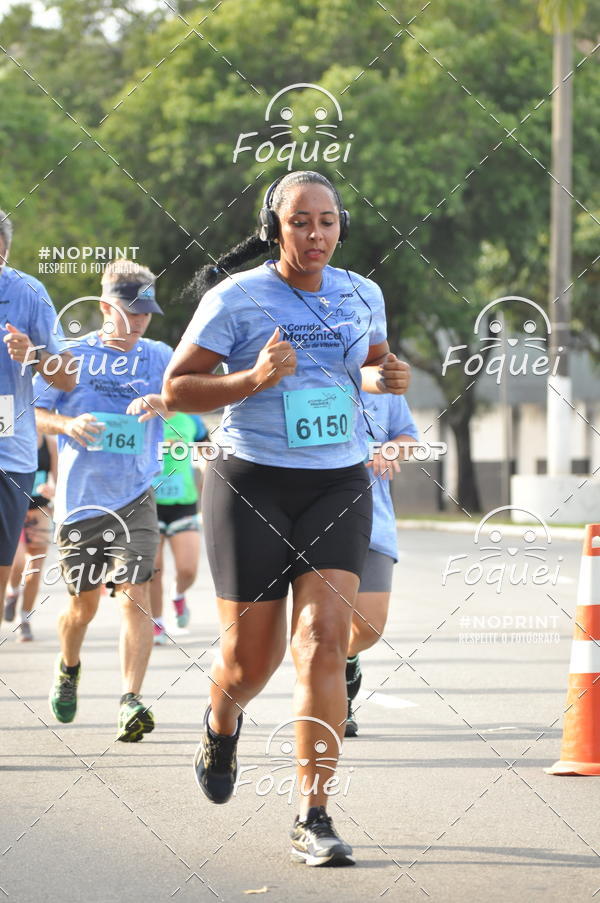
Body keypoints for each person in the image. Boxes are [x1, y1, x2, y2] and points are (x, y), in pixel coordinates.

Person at [162, 170, 411, 866]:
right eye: (300, 221)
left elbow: (369, 363)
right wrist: (252, 379)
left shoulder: (363, 293)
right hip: (252, 482)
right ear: (275, 229)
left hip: (339, 481)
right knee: (251, 661)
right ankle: (222, 719)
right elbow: (176, 388)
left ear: (341, 228)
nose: (315, 233)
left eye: (327, 220)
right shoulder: (234, 298)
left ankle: (314, 814)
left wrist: (389, 375)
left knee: (324, 639)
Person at [34, 260, 172, 741]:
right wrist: (67, 424)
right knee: (83, 607)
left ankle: (129, 699)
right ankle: (68, 665)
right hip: (80, 503)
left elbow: (193, 394)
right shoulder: (72, 355)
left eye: (145, 313)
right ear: (104, 307)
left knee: (136, 595)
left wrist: (166, 402)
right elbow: (36, 413)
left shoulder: (159, 356)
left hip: (135, 496)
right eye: (129, 312)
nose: (138, 322)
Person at [0, 211, 75, 620]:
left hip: (8, 455)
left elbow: (67, 378)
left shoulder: (29, 293)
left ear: (6, 252)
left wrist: (33, 355)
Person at [345, 390, 419, 737]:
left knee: (369, 627)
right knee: (321, 623)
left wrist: (391, 449)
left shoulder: (385, 387)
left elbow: (408, 437)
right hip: (315, 522)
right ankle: (331, 703)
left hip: (374, 522)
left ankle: (347, 656)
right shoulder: (310, 374)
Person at [150, 411, 208, 644]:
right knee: (154, 569)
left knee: (187, 570)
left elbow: (206, 452)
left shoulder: (191, 418)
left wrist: (207, 480)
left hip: (184, 504)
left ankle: (178, 594)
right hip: (149, 505)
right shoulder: (143, 416)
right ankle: (157, 622)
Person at [4, 430, 58, 641]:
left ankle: (24, 619)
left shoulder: (49, 443)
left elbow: (58, 480)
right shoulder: (10, 436)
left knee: (34, 571)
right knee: (17, 563)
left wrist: (52, 490)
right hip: (14, 509)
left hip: (40, 510)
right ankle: (12, 590)